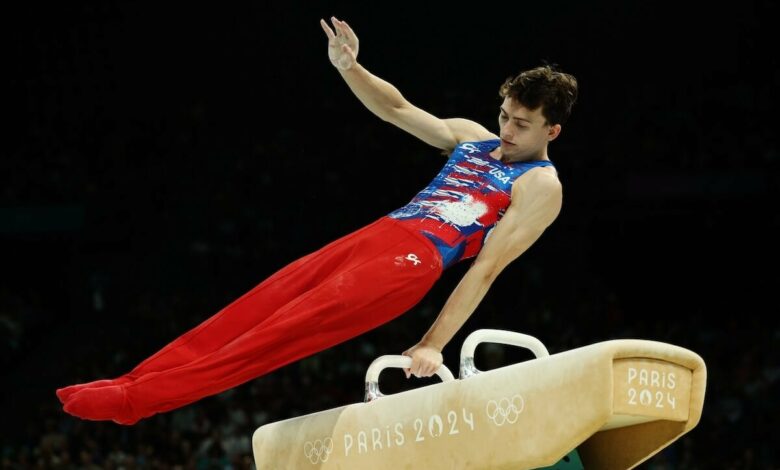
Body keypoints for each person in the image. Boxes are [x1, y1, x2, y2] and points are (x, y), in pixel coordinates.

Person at [56, 16, 577, 425]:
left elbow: (485, 268)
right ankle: (132, 380)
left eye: (521, 124)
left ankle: (138, 401)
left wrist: (433, 342)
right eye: (505, 114)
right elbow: (397, 109)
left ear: (551, 131)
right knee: (255, 306)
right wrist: (350, 66)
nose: (506, 129)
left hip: (412, 262)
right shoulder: (472, 137)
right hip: (379, 233)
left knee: (277, 334)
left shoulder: (541, 187)